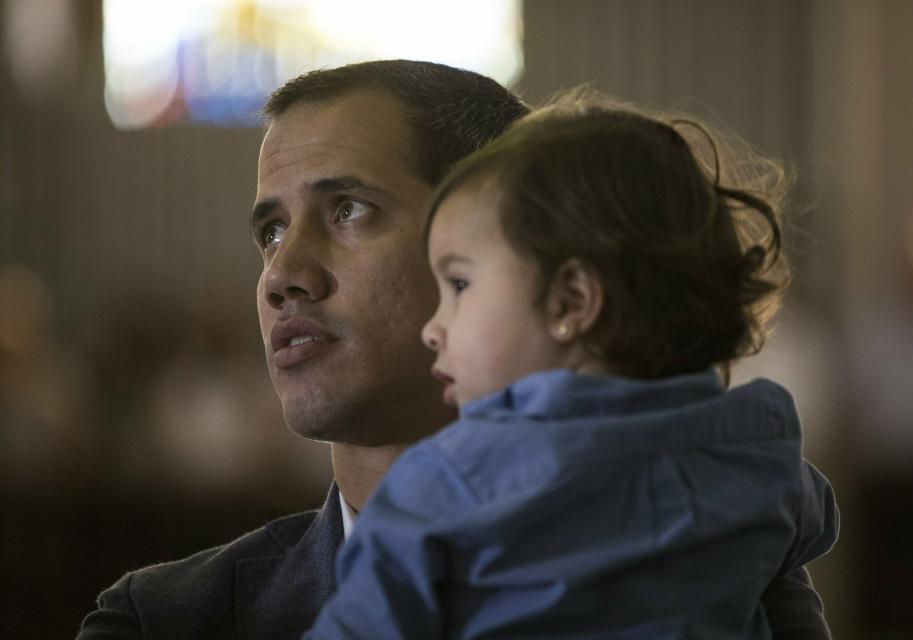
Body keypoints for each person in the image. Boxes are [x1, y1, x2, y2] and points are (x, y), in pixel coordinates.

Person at [77, 61, 834, 640]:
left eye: (349, 210)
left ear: (526, 250)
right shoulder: (164, 618)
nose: (282, 275)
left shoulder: (732, 570)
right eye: (270, 231)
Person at [304, 95, 839, 639]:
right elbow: (811, 520)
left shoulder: (447, 484)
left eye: (459, 285)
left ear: (570, 304)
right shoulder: (758, 453)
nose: (433, 327)